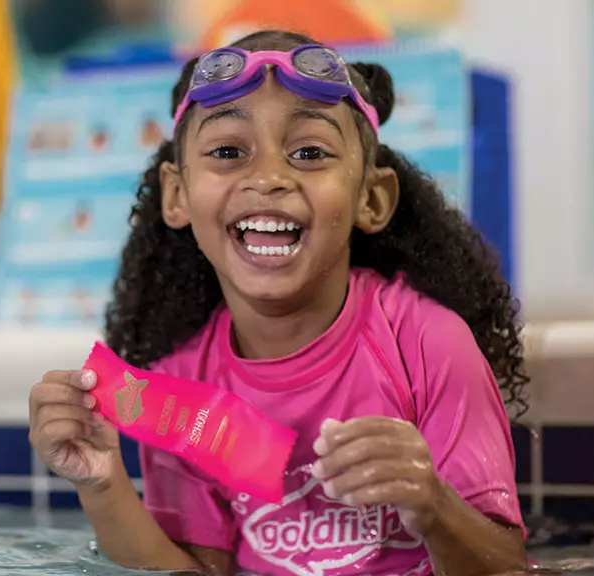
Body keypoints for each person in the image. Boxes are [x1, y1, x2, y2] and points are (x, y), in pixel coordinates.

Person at [28, 29, 529, 576]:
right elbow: (198, 572)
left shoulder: (428, 344)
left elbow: (505, 564)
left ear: (371, 197)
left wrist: (433, 504)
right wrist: (102, 484)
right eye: (228, 152)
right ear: (178, 195)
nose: (268, 178)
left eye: (309, 153)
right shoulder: (180, 384)